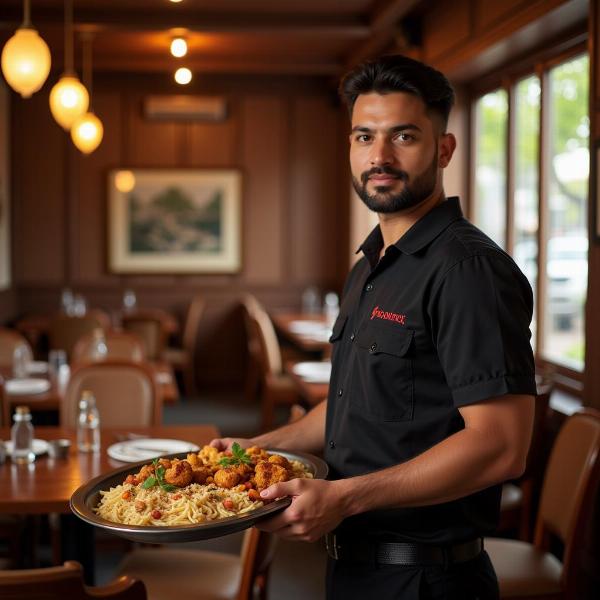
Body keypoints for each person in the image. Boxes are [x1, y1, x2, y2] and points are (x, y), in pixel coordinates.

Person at [212, 54, 536, 600]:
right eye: (364, 137)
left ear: (444, 149)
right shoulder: (370, 265)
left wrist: (344, 497)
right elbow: (349, 405)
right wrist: (254, 449)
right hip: (354, 567)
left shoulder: (468, 270)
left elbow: (502, 446)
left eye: (403, 136)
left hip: (428, 579)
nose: (379, 157)